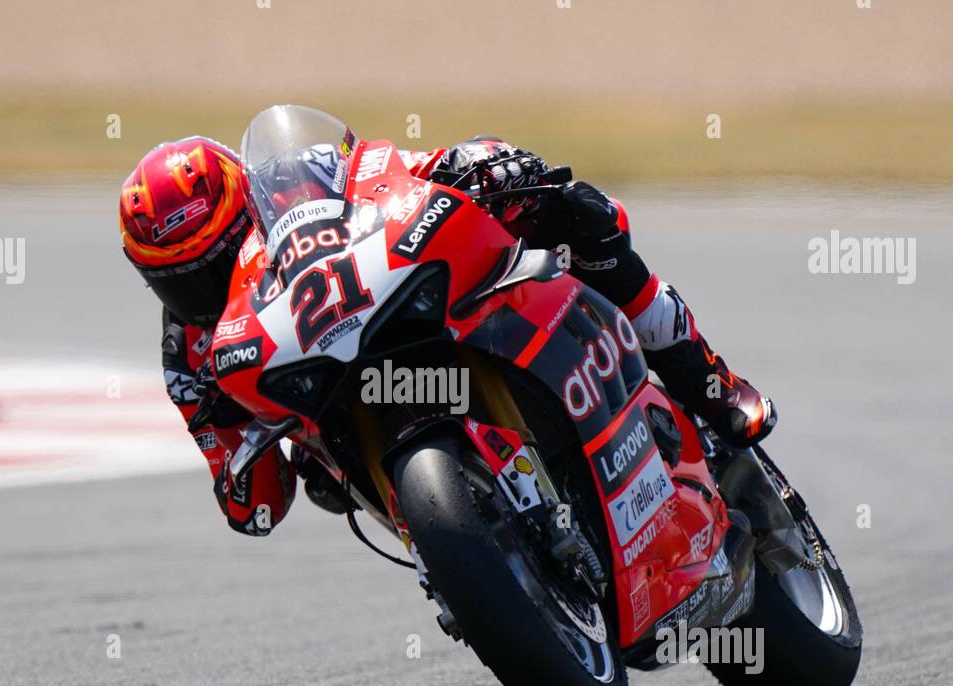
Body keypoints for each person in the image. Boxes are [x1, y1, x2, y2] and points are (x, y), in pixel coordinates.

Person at [119, 133, 775, 536]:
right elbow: (258, 511)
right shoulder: (189, 359)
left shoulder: (301, 172)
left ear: (248, 205)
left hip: (397, 296)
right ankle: (484, 558)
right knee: (323, 483)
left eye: (218, 257)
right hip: (343, 411)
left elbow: (393, 167)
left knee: (575, 213)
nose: (201, 290)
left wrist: (473, 163)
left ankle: (709, 380)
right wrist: (242, 459)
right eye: (177, 281)